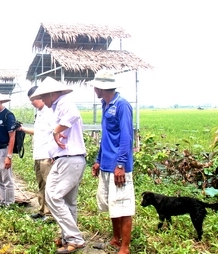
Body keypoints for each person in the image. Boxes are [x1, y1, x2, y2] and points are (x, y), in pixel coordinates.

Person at [30, 77, 86, 253]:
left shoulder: (64, 102)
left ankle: (75, 238)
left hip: (69, 158)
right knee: (69, 201)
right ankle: (67, 238)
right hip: (69, 158)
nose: (43, 101)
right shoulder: (57, 106)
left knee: (53, 195)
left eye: (44, 97)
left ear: (52, 94)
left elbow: (73, 115)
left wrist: (55, 131)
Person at [88, 70, 135, 254]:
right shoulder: (105, 104)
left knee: (123, 206)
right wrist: (98, 160)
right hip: (107, 164)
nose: (93, 88)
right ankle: (116, 239)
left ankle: (125, 248)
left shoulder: (121, 105)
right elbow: (106, 136)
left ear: (101, 87)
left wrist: (121, 164)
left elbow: (126, 136)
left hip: (118, 166)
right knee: (111, 204)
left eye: (95, 86)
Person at [17, 85, 53, 220]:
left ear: (41, 97)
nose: (32, 102)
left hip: (47, 154)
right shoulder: (39, 113)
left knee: (48, 183)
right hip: (38, 154)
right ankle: (42, 210)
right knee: (41, 183)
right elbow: (39, 132)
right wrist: (22, 129)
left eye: (33, 99)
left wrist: (54, 153)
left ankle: (50, 213)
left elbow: (56, 132)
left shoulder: (50, 112)